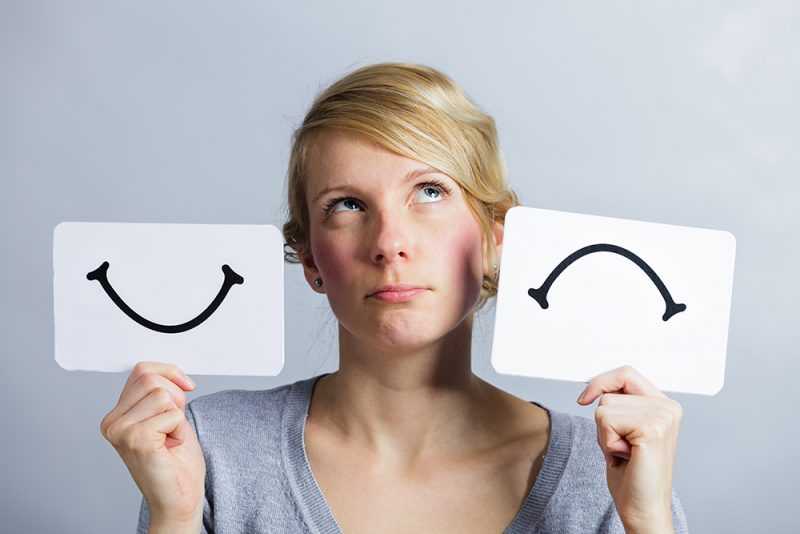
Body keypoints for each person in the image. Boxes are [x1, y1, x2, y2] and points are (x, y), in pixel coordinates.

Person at [100, 63, 688, 533]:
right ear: (310, 259)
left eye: (429, 191)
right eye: (347, 205)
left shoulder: (606, 469)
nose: (389, 243)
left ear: (494, 237)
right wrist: (174, 519)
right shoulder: (210, 452)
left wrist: (648, 522)